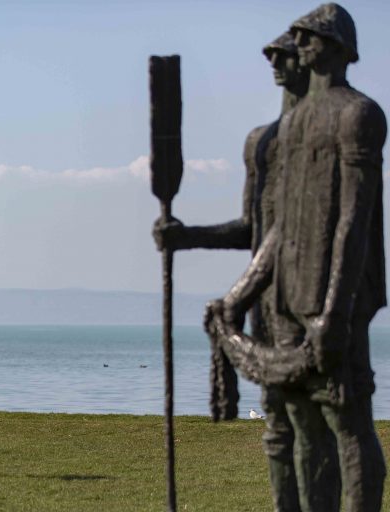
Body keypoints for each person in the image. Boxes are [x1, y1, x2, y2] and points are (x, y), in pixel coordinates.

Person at [217, 4, 386, 510]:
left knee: (347, 421)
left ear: (336, 47)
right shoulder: (291, 129)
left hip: (335, 299)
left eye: (309, 36)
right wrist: (240, 295)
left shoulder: (359, 114)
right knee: (302, 427)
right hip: (289, 299)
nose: (299, 44)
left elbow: (353, 222)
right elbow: (283, 228)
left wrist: (335, 310)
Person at [154, 31, 314, 511]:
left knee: (320, 427)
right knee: (278, 427)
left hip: (311, 297)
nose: (278, 63)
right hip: (267, 302)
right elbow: (253, 228)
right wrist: (185, 236)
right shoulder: (259, 143)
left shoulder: (328, 136)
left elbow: (290, 232)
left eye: (288, 55)